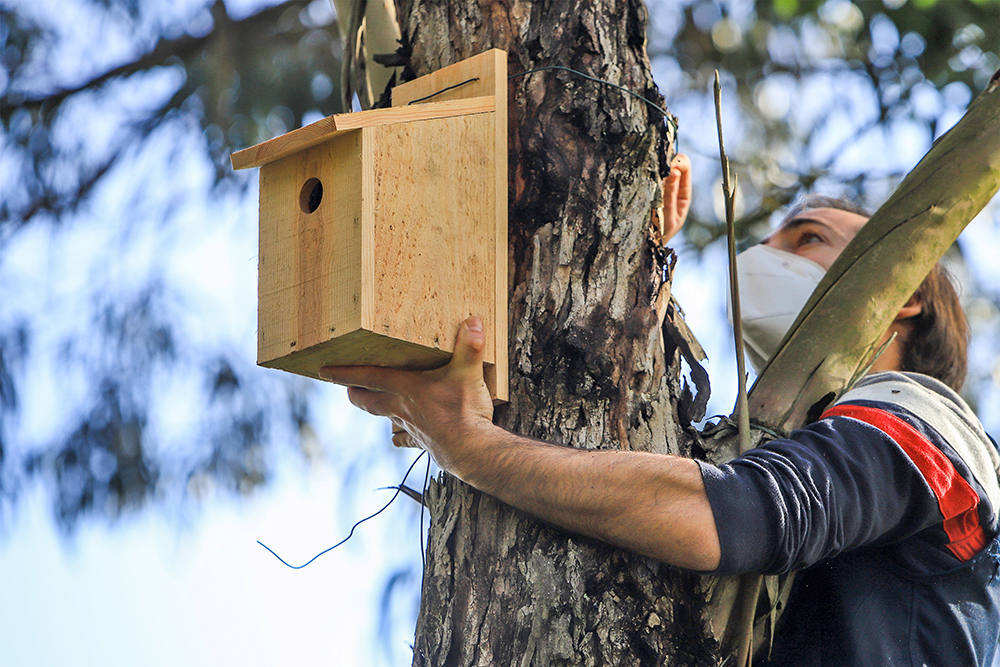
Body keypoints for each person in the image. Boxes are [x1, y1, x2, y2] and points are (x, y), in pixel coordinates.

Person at [319, 155, 1000, 666]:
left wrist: (469, 447)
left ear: (903, 291)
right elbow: (669, 474)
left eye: (808, 238)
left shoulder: (929, 422)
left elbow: (735, 514)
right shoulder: (796, 434)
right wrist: (633, 266)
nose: (765, 256)